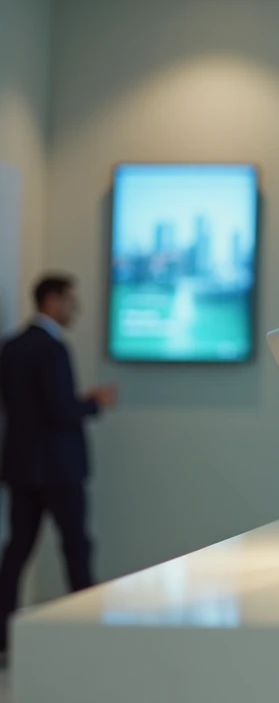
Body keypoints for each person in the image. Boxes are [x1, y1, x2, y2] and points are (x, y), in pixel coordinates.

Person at [0, 275, 117, 659]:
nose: (74, 310)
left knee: (16, 551)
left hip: (21, 468)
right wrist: (95, 403)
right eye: (70, 301)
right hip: (59, 469)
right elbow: (59, 410)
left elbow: (28, 409)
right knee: (76, 549)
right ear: (51, 300)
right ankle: (87, 631)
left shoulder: (11, 347)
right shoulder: (53, 349)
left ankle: (3, 638)